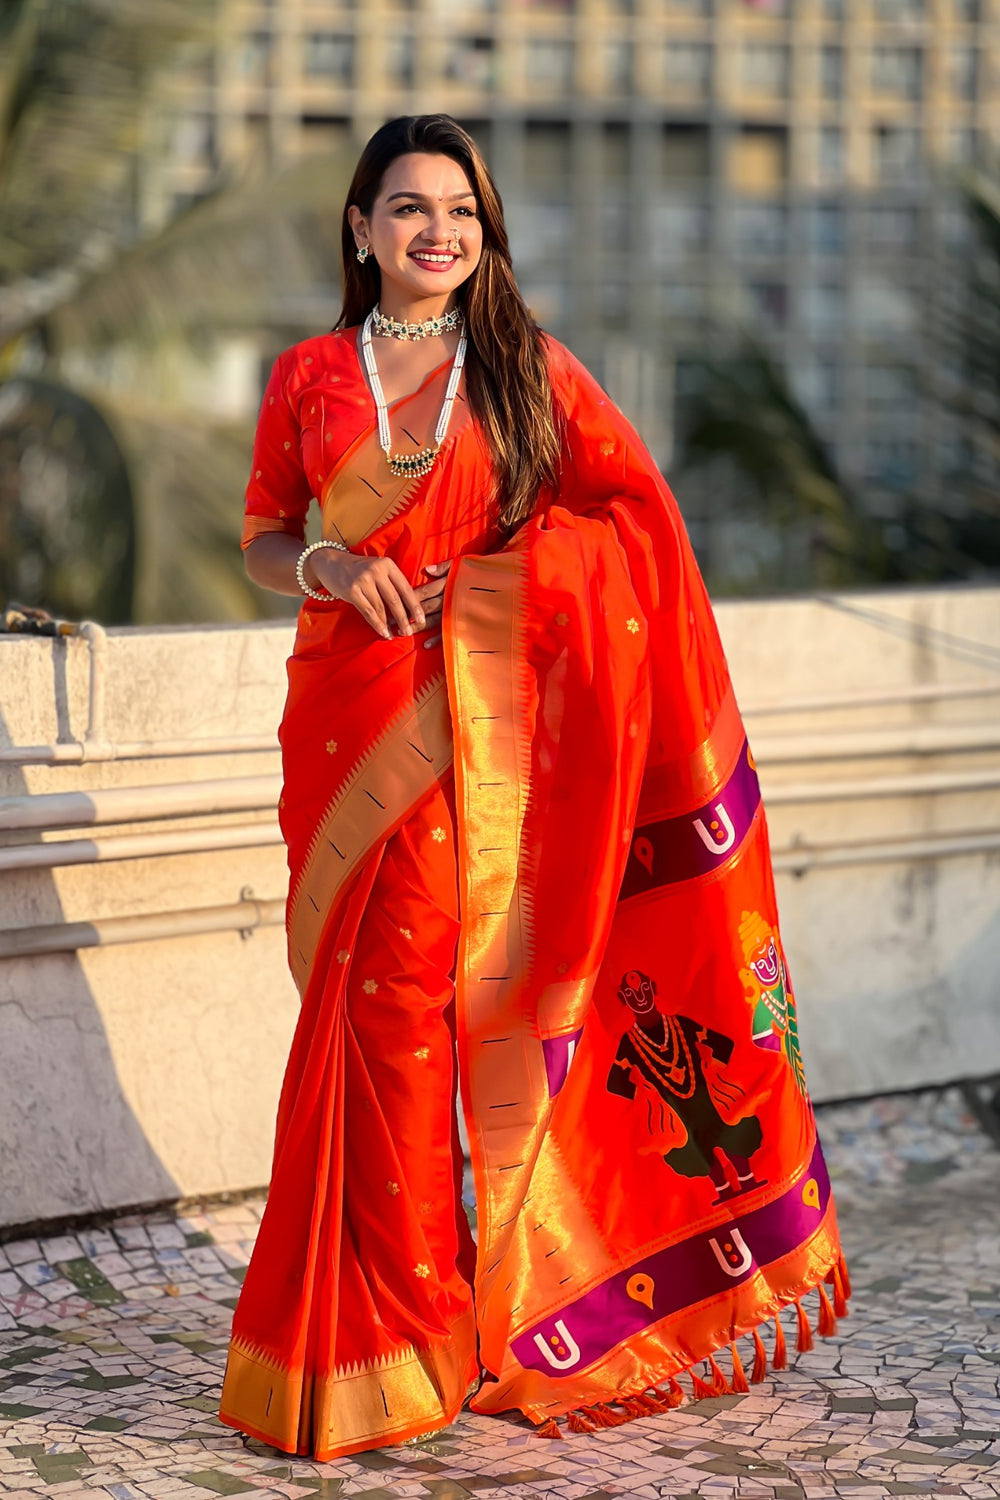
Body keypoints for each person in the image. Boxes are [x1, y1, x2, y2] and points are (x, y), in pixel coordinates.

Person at [219, 114, 849, 1463]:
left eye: (459, 210)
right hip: (347, 730)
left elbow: (637, 525)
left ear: (484, 232)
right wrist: (329, 571)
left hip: (491, 753)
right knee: (375, 1016)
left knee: (448, 1013)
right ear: (359, 226)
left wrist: (499, 591)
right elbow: (269, 539)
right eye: (406, 208)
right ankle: (379, 1336)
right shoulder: (309, 378)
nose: (433, 231)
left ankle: (437, 1322)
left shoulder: (528, 374)